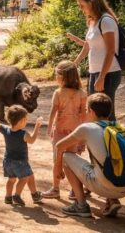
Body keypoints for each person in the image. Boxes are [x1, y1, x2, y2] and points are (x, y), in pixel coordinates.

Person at [54, 93, 125, 218]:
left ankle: (81, 205)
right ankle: (112, 200)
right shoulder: (119, 128)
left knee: (67, 157)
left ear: (91, 111)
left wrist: (58, 167)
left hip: (105, 186)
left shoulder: (87, 128)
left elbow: (59, 146)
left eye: (86, 110)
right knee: (102, 157)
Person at [66, 0, 121, 121]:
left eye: (82, 5)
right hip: (94, 72)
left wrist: (102, 76)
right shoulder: (92, 20)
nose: (81, 9)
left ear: (91, 2)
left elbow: (110, 50)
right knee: (93, 112)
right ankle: (98, 140)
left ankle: (112, 141)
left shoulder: (106, 20)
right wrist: (74, 64)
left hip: (108, 73)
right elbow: (87, 45)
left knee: (106, 114)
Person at [41, 61, 87, 199]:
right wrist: (83, 136)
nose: (56, 77)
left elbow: (53, 111)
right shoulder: (82, 93)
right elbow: (83, 115)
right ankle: (74, 190)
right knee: (73, 161)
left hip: (60, 132)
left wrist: (49, 127)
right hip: (75, 133)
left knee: (57, 160)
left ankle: (56, 189)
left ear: (63, 77)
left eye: (57, 75)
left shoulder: (59, 93)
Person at [0, 105, 44, 206]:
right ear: (21, 121)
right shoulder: (23, 134)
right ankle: (17, 195)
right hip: (20, 162)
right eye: (25, 119)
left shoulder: (6, 130)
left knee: (12, 179)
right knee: (25, 177)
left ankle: (8, 197)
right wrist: (37, 126)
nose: (26, 121)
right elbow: (32, 140)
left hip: (7, 161)